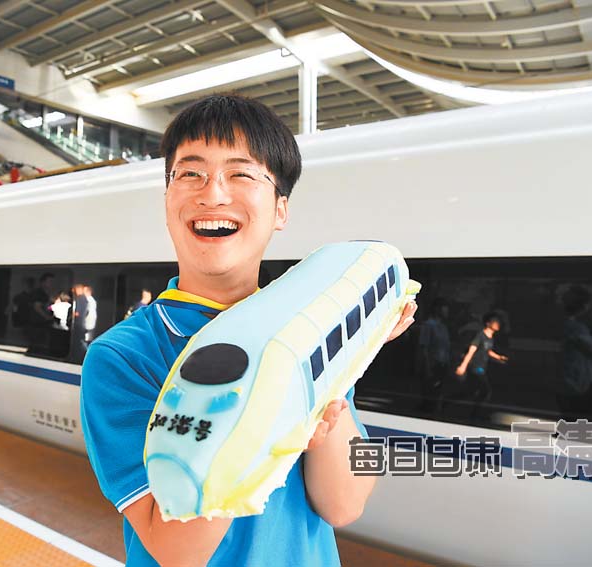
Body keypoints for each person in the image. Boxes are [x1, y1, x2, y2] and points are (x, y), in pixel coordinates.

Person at [79, 94, 416, 566]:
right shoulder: (123, 356)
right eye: (190, 174)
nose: (213, 194)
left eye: (240, 174)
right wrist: (272, 424)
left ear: (280, 209)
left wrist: (347, 358)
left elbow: (345, 505)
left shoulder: (311, 325)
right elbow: (176, 551)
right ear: (168, 200)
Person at [452, 312, 509, 419]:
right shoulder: (480, 336)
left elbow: (488, 351)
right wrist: (463, 366)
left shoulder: (490, 338)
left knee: (471, 391)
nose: (497, 323)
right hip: (475, 366)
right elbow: (471, 351)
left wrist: (498, 357)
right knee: (485, 390)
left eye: (498, 321)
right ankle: (475, 415)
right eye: (495, 321)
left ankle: (449, 401)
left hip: (482, 366)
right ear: (488, 323)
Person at [557, 286, 592, 422]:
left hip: (574, 381)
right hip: (577, 383)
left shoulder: (571, 325)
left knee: (572, 419)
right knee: (576, 420)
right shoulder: (576, 327)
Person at [416, 298, 450, 412]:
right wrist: (427, 368)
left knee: (438, 394)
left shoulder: (443, 326)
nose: (446, 311)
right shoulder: (428, 325)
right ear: (437, 309)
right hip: (432, 365)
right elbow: (424, 347)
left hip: (442, 365)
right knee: (429, 396)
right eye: (444, 308)